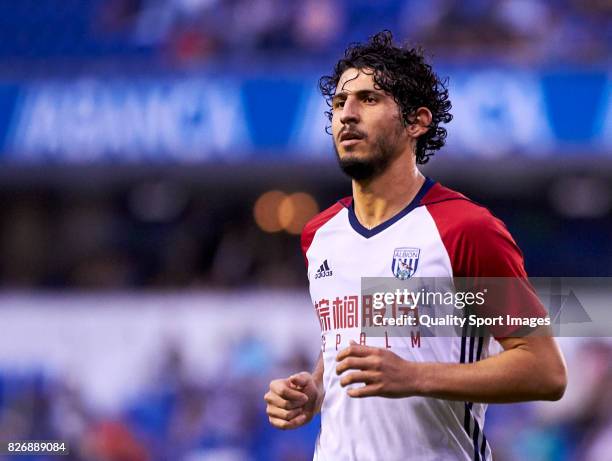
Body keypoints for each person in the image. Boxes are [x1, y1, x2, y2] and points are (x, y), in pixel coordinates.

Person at [264, 31, 567, 461]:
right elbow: (345, 337)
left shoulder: (465, 229)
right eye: (338, 103)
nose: (347, 115)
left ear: (416, 121)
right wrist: (316, 388)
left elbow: (545, 371)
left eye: (368, 99)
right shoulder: (320, 233)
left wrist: (415, 376)